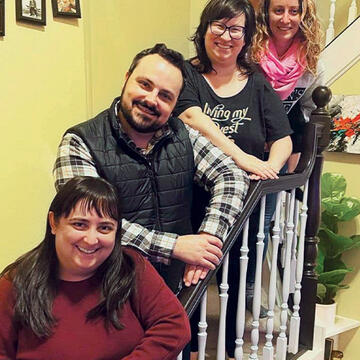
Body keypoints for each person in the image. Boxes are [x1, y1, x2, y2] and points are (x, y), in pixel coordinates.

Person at [53, 43, 249, 294]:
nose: (151, 99)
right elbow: (86, 224)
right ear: (126, 79)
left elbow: (232, 176)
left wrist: (206, 241)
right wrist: (175, 247)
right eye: (145, 84)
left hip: (174, 292)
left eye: (165, 96)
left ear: (176, 103)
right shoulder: (80, 142)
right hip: (104, 293)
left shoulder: (184, 135)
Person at [172, 0, 292, 358]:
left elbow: (283, 137)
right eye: (219, 26)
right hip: (191, 197)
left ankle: (228, 347)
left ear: (246, 36)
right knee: (189, 277)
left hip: (248, 202)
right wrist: (241, 157)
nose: (227, 37)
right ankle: (189, 349)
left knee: (240, 277)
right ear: (205, 28)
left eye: (236, 29)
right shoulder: (186, 73)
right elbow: (192, 117)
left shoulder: (256, 81)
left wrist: (268, 170)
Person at [0, 176, 191, 359]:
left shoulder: (132, 268)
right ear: (54, 223)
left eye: (105, 228)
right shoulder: (14, 283)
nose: (91, 240)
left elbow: (173, 326)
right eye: (80, 224)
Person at [252, 0, 324, 171]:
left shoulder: (312, 64)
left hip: (280, 149)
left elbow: (306, 110)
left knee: (273, 197)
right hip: (245, 145)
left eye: (293, 11)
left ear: (303, 15)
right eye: (278, 10)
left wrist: (294, 147)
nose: (285, 19)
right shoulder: (249, 55)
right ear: (266, 14)